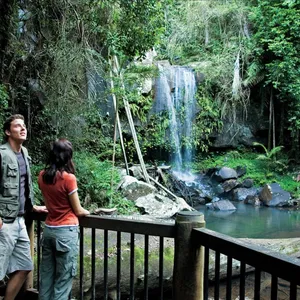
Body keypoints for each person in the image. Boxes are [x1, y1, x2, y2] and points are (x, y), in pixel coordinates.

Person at [0, 114, 48, 300]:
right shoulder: (2, 154)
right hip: (6, 221)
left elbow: (24, 184)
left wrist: (32, 206)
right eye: (17, 126)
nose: (23, 128)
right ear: (7, 132)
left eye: (24, 125)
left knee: (24, 266)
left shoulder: (24, 153)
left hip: (21, 220)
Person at [38, 138, 90, 300]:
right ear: (68, 157)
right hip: (66, 233)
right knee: (63, 281)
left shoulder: (42, 176)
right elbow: (78, 209)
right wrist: (88, 212)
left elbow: (48, 205)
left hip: (48, 231)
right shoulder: (68, 179)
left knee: (46, 278)